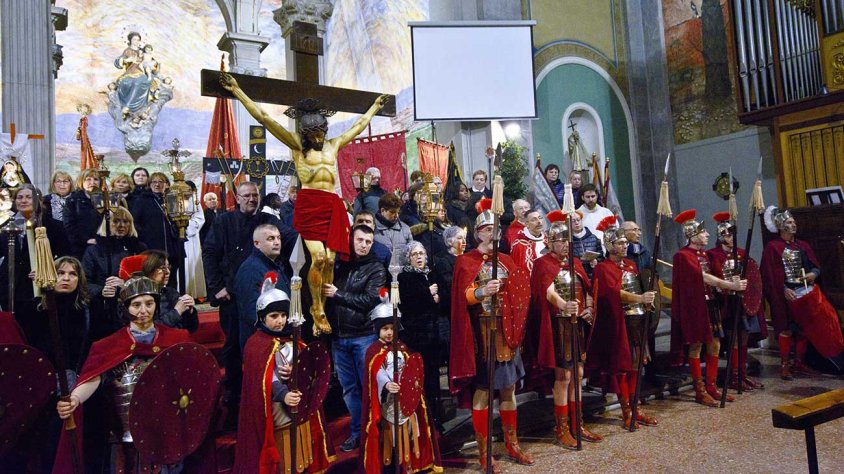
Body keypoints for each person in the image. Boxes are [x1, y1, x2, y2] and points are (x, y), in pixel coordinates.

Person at [221, 72, 388, 335]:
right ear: (306, 133)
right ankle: (316, 309)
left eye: (322, 131)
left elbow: (356, 127)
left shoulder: (333, 146)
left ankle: (325, 300)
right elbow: (265, 119)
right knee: (318, 257)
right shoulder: (298, 147)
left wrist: (375, 108)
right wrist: (238, 91)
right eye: (314, 133)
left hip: (331, 204)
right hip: (310, 204)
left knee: (331, 260)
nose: (319, 136)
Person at [54, 274, 191, 472]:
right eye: (136, 305)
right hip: (124, 434)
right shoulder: (110, 346)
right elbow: (94, 377)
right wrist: (74, 399)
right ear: (126, 308)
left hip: (167, 431)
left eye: (149, 303)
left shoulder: (177, 339)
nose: (144, 311)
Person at [450, 198, 533, 470]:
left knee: (508, 390)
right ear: (478, 233)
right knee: (484, 392)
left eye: (495, 228)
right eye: (486, 228)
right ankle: (485, 453)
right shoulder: (466, 261)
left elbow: (521, 294)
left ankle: (512, 444)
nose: (492, 232)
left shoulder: (507, 260)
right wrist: (482, 292)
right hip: (483, 334)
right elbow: (463, 297)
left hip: (507, 332)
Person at [203, 181, 296, 412]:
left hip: (262, 293)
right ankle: (234, 399)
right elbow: (210, 253)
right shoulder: (224, 221)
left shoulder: (267, 221)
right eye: (246, 196)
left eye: (255, 195)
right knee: (233, 347)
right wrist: (216, 287)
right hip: (231, 295)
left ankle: (260, 395)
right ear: (237, 197)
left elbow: (291, 237)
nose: (251, 199)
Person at [234, 276, 332, 474]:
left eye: (283, 315)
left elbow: (309, 369)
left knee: (302, 451)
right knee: (284, 455)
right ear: (262, 318)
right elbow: (264, 379)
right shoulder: (256, 345)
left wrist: (297, 370)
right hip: (277, 409)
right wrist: (282, 393)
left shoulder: (293, 340)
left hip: (300, 405)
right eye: (274, 316)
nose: (280, 321)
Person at [527, 210, 602, 448]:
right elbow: (546, 291)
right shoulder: (542, 264)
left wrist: (588, 306)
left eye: (568, 240)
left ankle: (577, 423)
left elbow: (587, 288)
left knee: (578, 374)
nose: (566, 245)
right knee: (564, 376)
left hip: (577, 323)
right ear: (551, 241)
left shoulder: (576, 263)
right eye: (561, 241)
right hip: (558, 325)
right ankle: (561, 428)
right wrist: (563, 304)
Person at [671, 210, 746, 407]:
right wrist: (729, 285)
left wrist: (732, 278)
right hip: (695, 306)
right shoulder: (683, 255)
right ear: (693, 235)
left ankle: (711, 385)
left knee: (715, 343)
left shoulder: (703, 254)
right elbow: (702, 277)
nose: (708, 235)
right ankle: (700, 390)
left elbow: (715, 273)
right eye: (703, 233)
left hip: (710, 302)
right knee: (696, 345)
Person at [588, 225, 658, 430]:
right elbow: (614, 292)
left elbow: (637, 285)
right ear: (609, 245)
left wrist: (647, 300)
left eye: (625, 242)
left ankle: (636, 407)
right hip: (618, 323)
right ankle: (626, 409)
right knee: (622, 367)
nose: (625, 245)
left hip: (636, 320)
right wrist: (640, 297)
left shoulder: (630, 265)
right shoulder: (602, 267)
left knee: (636, 365)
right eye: (620, 243)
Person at [760, 206, 844, 377]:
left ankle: (799, 362)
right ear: (782, 226)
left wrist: (814, 273)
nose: (794, 224)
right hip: (785, 296)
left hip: (806, 294)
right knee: (786, 329)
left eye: (794, 221)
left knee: (804, 329)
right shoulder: (773, 247)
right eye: (790, 222)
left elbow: (815, 266)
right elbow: (769, 275)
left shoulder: (803, 245)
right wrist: (783, 289)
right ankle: (784, 365)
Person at [323, 225, 386, 451]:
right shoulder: (339, 264)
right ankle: (358, 432)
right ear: (351, 239)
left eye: (368, 242)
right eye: (360, 240)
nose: (364, 245)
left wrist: (337, 295)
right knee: (349, 389)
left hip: (363, 335)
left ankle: (375, 432)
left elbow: (370, 300)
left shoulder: (376, 268)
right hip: (339, 337)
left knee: (369, 386)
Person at [361, 297, 441, 473]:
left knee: (411, 433)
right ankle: (393, 465)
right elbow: (375, 371)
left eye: (392, 328)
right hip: (388, 402)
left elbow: (411, 370)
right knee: (391, 437)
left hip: (405, 400)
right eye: (385, 329)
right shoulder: (373, 351)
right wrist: (387, 383)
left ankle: (411, 465)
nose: (389, 332)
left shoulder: (403, 347)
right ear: (377, 329)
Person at [707, 212, 765, 390]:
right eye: (726, 234)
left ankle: (742, 374)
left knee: (744, 337)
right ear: (720, 236)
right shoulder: (713, 255)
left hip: (744, 303)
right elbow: (714, 278)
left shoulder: (741, 253)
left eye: (731, 234)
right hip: (727, 304)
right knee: (733, 339)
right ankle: (733, 377)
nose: (730, 237)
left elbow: (752, 277)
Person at [0, 184, 67, 321]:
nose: (23, 200)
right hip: (9, 286)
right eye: (19, 197)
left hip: (38, 287)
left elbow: (66, 256)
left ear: (38, 201)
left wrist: (46, 270)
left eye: (28, 197)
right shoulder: (6, 225)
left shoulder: (53, 226)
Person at [397, 242, 441, 421]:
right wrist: (428, 294)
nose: (419, 257)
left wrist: (436, 297)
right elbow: (409, 303)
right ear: (408, 258)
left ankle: (435, 415)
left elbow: (440, 299)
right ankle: (420, 415)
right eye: (414, 254)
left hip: (432, 334)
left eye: (422, 253)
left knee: (433, 376)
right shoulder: (404, 277)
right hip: (415, 334)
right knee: (418, 376)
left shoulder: (430, 274)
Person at [233, 224, 290, 350]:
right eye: (270, 239)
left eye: (278, 238)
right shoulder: (250, 269)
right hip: (262, 343)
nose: (276, 242)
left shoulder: (274, 265)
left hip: (277, 337)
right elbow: (251, 311)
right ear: (257, 244)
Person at [129, 172, 185, 289]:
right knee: (153, 279)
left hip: (172, 248)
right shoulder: (142, 200)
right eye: (154, 182)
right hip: (151, 248)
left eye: (161, 182)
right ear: (149, 185)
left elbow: (181, 220)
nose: (157, 184)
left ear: (167, 184)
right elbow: (134, 222)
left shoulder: (172, 200)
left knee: (171, 279)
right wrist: (144, 238)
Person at [82, 206, 146, 306]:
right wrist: (102, 290)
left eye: (125, 221)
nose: (121, 225)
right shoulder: (93, 250)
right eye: (116, 221)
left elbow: (147, 278)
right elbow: (85, 281)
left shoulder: (139, 249)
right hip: (102, 305)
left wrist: (125, 284)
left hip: (133, 302)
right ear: (107, 224)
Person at [132, 249, 198, 332]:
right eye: (163, 268)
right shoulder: (136, 297)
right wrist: (176, 312)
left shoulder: (170, 292)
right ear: (149, 269)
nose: (168, 272)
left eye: (168, 267)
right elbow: (146, 329)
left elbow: (192, 329)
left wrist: (190, 310)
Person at [432, 225, 467, 365]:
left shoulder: (468, 257)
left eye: (464, 238)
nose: (463, 241)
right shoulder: (442, 261)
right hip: (449, 308)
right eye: (459, 238)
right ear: (449, 241)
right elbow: (449, 285)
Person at [64, 168, 103, 258]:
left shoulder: (104, 199)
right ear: (81, 182)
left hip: (101, 246)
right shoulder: (73, 200)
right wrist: (86, 240)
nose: (92, 182)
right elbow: (69, 225)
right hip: (80, 247)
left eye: (96, 179)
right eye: (88, 179)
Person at [374, 193, 413, 268]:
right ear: (382, 210)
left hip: (402, 273)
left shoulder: (405, 229)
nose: (396, 216)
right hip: (380, 274)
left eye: (398, 212)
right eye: (392, 212)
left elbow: (411, 252)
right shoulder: (372, 229)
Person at [183, 181, 206, 299]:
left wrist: (186, 225)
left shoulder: (195, 202)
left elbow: (200, 219)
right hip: (177, 237)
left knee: (192, 263)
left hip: (191, 238)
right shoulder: (173, 200)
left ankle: (194, 293)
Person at [509, 209, 546, 273]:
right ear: (527, 224)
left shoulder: (548, 241)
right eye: (534, 220)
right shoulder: (519, 245)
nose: (539, 221)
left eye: (540, 218)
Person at [570, 210, 603, 279]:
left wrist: (596, 261)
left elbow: (601, 257)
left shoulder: (594, 238)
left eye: (578, 220)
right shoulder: (568, 241)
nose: (576, 223)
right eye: (573, 221)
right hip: (577, 276)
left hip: (594, 275)